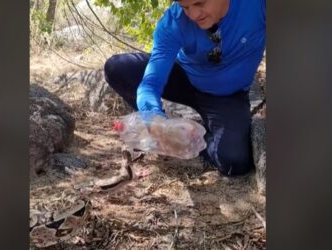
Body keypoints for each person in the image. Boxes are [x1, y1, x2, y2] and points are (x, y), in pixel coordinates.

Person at [104, 0, 266, 176]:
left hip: (226, 96)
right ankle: (166, 129)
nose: (194, 15)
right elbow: (150, 83)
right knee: (117, 67)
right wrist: (155, 119)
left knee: (234, 161)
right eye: (186, 7)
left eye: (200, 3)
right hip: (185, 77)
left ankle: (192, 138)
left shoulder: (256, 5)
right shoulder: (175, 20)